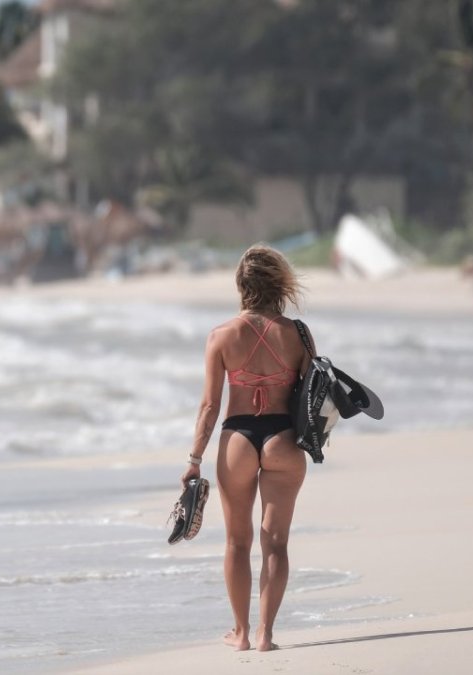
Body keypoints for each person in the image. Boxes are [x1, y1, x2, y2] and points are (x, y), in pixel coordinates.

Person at [180, 244, 310, 652]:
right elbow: (311, 397)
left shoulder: (221, 336)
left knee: (238, 541)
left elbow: (209, 406)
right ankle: (266, 634)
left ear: (241, 285)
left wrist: (194, 459)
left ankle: (240, 633)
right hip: (284, 438)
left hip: (237, 438)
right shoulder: (299, 334)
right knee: (277, 543)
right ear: (279, 284)